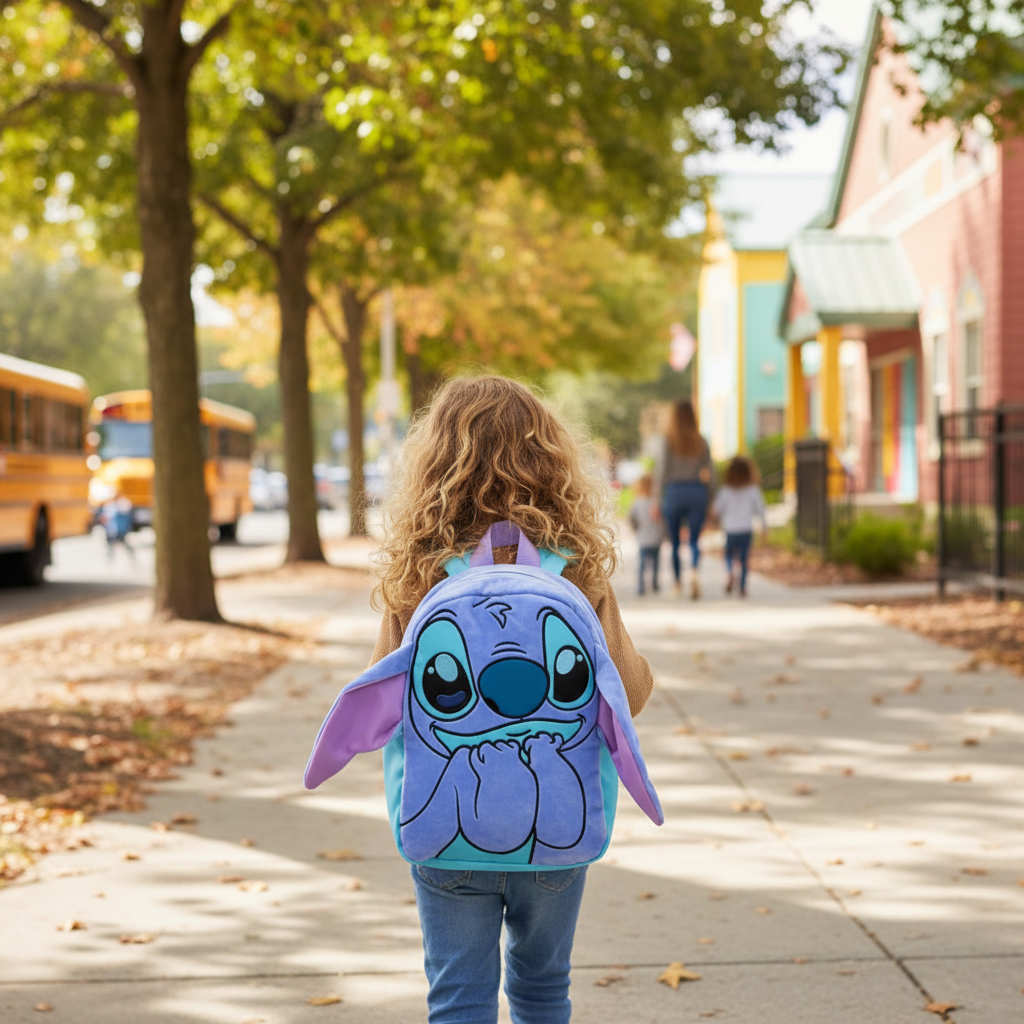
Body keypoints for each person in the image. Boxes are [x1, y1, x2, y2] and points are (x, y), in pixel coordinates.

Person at [370, 375, 654, 1024]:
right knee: (543, 989)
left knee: (458, 997)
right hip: (558, 829)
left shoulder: (416, 578)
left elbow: (382, 708)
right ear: (551, 463)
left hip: (445, 830)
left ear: (432, 469)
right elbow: (629, 695)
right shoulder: (576, 572)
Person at [654, 399, 714, 599]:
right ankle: (694, 571)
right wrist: (711, 498)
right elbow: (711, 473)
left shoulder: (668, 441)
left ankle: (678, 584)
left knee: (675, 542)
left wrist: (656, 500)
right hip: (696, 490)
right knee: (695, 539)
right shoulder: (701, 440)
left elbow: (661, 472)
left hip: (674, 491)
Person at [711, 455, 767, 598]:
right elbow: (761, 509)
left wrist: (712, 519)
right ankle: (742, 587)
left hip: (730, 529)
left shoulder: (725, 491)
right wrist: (764, 526)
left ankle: (730, 571)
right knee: (743, 559)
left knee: (729, 555)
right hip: (746, 529)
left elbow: (716, 510)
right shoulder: (753, 490)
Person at [628, 473, 663, 596]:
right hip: (656, 536)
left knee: (642, 563)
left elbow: (632, 518)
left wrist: (635, 529)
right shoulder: (656, 502)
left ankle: (641, 586)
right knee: (656, 562)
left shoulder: (637, 502)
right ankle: (654, 583)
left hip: (643, 537)